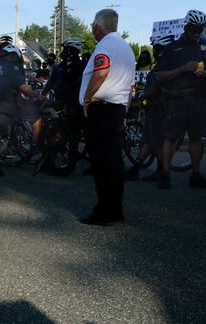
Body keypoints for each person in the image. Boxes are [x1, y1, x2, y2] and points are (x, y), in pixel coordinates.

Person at [78, 8, 135, 226]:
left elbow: (101, 72)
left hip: (102, 109)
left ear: (98, 27)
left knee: (101, 162)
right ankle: (115, 209)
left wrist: (87, 98)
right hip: (117, 108)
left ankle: (103, 211)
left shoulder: (105, 45)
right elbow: (129, 85)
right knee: (114, 162)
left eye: (93, 24)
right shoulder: (126, 48)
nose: (92, 28)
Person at [155, 9, 206, 189]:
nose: (196, 32)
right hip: (177, 99)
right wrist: (181, 69)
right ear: (186, 26)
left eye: (200, 29)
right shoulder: (173, 48)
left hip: (198, 98)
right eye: (193, 29)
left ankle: (195, 175)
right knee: (171, 137)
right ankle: (165, 174)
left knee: (196, 137)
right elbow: (160, 75)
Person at [0, 43, 44, 177]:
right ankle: (34, 146)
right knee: (37, 118)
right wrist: (38, 96)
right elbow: (23, 87)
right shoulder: (11, 67)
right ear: (12, 56)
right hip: (12, 103)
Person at [126, 34, 176, 182]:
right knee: (148, 140)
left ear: (160, 49)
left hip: (158, 108)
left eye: (155, 48)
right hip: (154, 108)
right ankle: (136, 169)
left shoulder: (163, 67)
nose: (153, 51)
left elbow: (154, 89)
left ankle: (161, 171)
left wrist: (142, 96)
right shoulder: (164, 65)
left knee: (156, 142)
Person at [42, 37, 87, 174]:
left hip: (74, 104)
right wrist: (42, 95)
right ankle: (50, 160)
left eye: (66, 49)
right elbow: (51, 81)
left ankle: (70, 164)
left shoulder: (81, 66)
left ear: (72, 50)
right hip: (59, 103)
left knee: (73, 135)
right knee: (54, 131)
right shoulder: (60, 65)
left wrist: (78, 104)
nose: (63, 51)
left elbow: (83, 85)